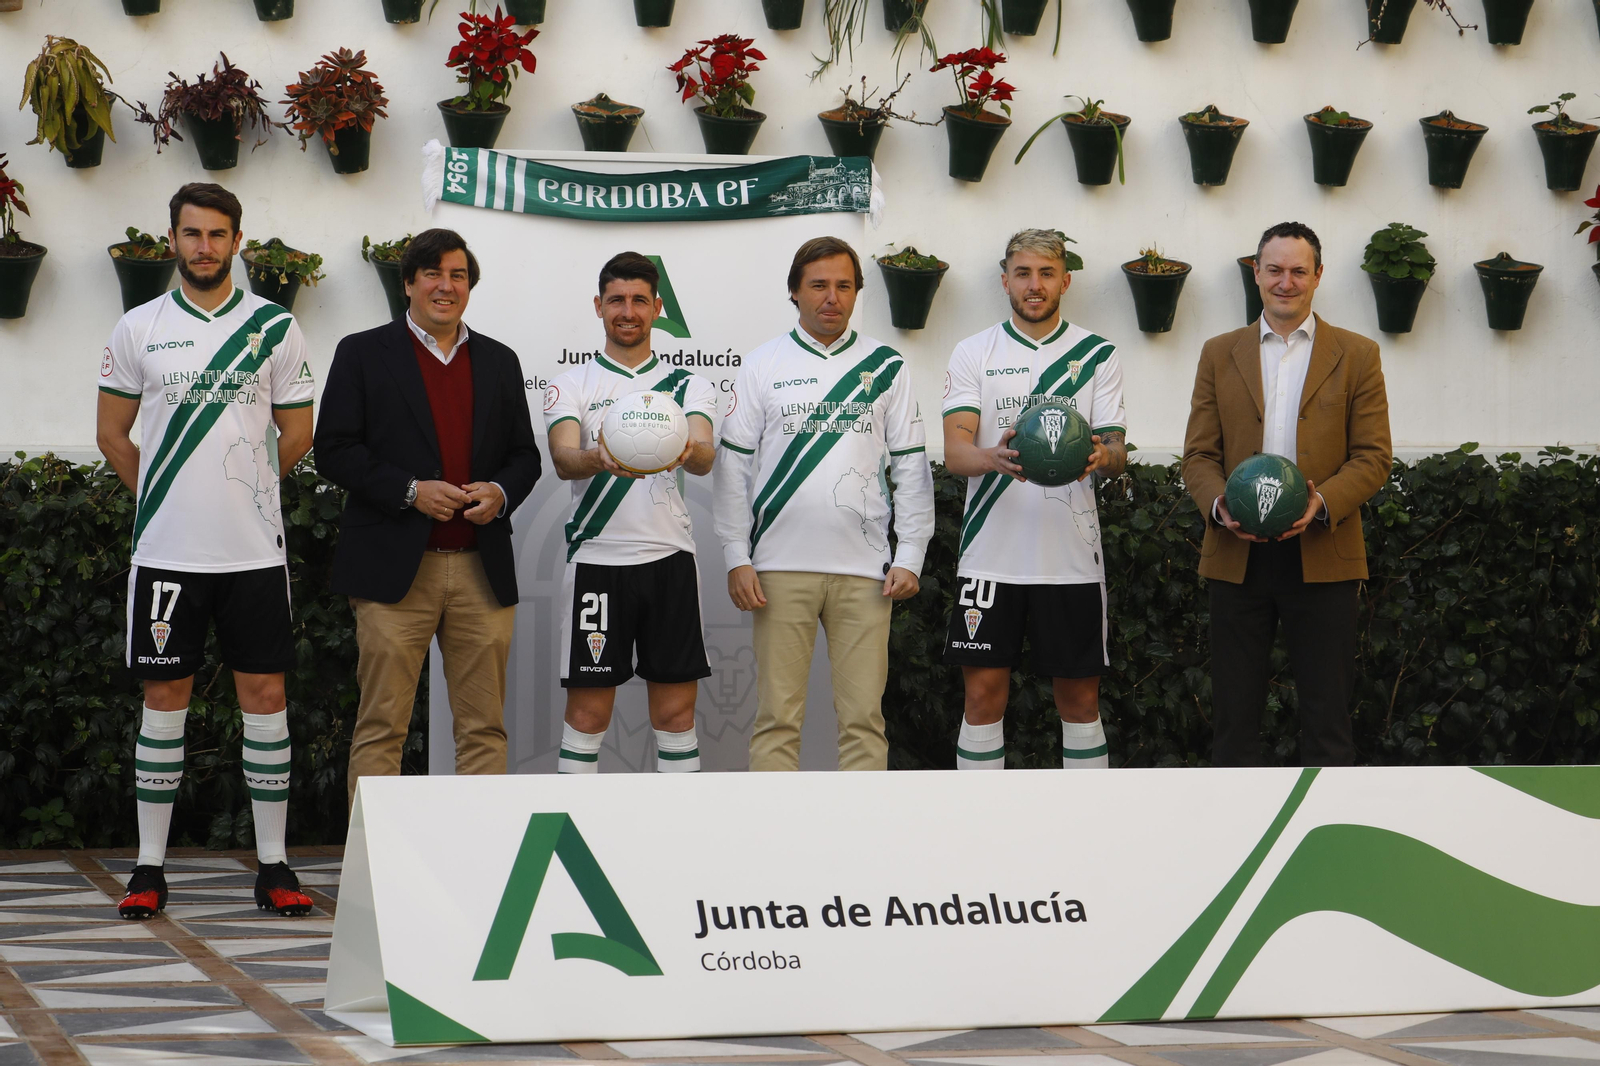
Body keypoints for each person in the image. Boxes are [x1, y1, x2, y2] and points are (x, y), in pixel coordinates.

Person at [96, 182, 316, 919]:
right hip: (167, 553)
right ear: (173, 240)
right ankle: (149, 869)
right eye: (192, 234)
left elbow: (298, 433)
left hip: (253, 554)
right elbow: (112, 436)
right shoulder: (138, 327)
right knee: (165, 701)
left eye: (218, 235)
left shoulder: (275, 327)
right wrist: (164, 496)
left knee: (267, 701)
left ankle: (275, 865)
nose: (204, 247)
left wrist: (244, 489)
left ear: (236, 242)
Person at [314, 228, 542, 805]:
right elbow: (334, 448)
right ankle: (371, 868)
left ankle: (481, 864)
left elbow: (524, 456)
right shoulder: (362, 352)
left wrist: (499, 490)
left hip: (479, 568)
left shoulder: (499, 360)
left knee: (484, 728)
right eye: (434, 274)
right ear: (409, 283)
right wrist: (410, 490)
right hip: (395, 570)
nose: (446, 286)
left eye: (458, 275)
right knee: (382, 726)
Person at [713, 236, 935, 772]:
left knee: (863, 721)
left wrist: (911, 555)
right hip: (777, 570)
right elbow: (733, 467)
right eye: (818, 285)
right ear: (794, 292)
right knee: (776, 721)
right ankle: (773, 844)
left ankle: (860, 848)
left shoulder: (886, 366)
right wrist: (735, 556)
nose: (831, 297)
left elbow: (910, 464)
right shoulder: (763, 362)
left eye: (843, 285)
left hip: (865, 571)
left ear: (858, 292)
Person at [1182, 221, 1392, 767]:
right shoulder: (1217, 352)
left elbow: (1373, 456)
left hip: (1322, 555)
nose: (1286, 281)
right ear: (1256, 273)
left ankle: (1328, 839)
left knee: (1327, 719)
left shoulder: (1358, 354)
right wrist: (1219, 506)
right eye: (1274, 269)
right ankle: (1237, 839)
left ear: (1318, 276)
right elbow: (1199, 455)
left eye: (1299, 270)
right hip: (1236, 555)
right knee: (1233, 719)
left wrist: (1319, 505)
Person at [941, 229, 1128, 770]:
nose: (1035, 284)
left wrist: (1099, 456)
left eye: (1047, 273)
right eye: (1023, 273)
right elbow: (957, 453)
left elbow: (1117, 449)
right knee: (981, 700)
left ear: (1065, 280)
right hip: (990, 557)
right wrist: (992, 458)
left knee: (1079, 703)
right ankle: (982, 833)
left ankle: (1085, 832)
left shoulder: (1098, 354)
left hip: (1070, 559)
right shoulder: (974, 351)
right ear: (1005, 280)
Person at [544, 252, 717, 773]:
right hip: (597, 560)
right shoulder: (570, 383)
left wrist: (688, 448)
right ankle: (578, 835)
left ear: (657, 308)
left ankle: (676, 842)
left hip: (670, 559)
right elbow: (562, 459)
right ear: (598, 306)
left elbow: (706, 455)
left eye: (640, 300)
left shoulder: (688, 385)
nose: (628, 310)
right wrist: (600, 456)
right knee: (589, 712)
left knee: (676, 713)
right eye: (616, 299)